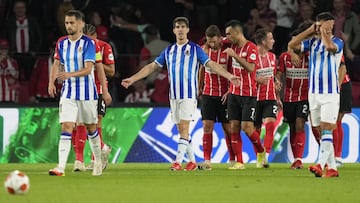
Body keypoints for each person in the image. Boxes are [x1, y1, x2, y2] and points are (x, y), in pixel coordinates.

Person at [121, 16, 240, 171]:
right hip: (174, 96)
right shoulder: (169, 50)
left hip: (189, 95)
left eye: (183, 27)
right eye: (177, 27)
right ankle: (191, 161)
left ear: (188, 30)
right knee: (181, 130)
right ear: (174, 30)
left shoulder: (196, 49)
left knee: (184, 128)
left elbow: (211, 64)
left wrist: (230, 76)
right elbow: (152, 67)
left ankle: (177, 162)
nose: (180, 29)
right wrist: (133, 78)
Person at [47, 10, 110, 176]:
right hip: (68, 93)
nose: (68, 26)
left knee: (91, 128)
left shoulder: (90, 44)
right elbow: (56, 63)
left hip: (87, 93)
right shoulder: (61, 43)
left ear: (81, 24)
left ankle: (97, 161)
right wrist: (51, 81)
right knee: (67, 126)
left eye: (71, 23)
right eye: (66, 23)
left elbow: (89, 68)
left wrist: (69, 74)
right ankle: (60, 167)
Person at [288, 12, 344, 178]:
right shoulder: (312, 42)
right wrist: (310, 30)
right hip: (313, 93)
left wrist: (325, 33)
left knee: (327, 127)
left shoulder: (337, 42)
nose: (320, 27)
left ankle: (320, 164)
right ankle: (332, 168)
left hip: (330, 93)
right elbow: (292, 44)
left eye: (324, 24)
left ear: (331, 24)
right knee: (320, 130)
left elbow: (330, 48)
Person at [223, 20, 266, 170]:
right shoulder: (231, 45)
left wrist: (234, 55)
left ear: (237, 32)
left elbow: (250, 68)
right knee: (233, 127)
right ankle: (239, 162)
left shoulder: (251, 48)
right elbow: (214, 40)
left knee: (247, 128)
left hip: (249, 94)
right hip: (234, 93)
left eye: (229, 34)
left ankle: (261, 151)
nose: (227, 37)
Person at [72, 23, 113, 172]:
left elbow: (112, 71)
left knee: (95, 123)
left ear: (96, 37)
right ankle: (100, 150)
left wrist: (94, 64)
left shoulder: (104, 47)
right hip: (83, 89)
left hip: (99, 90)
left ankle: (93, 159)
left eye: (90, 39)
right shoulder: (78, 46)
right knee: (80, 123)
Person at [276, 22, 313, 169]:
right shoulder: (285, 57)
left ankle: (299, 159)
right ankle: (295, 159)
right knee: (292, 127)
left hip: (304, 97)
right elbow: (279, 74)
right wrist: (277, 82)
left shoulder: (310, 56)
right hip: (289, 97)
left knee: (299, 123)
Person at [198, 25, 233, 170]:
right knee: (207, 126)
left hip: (225, 95)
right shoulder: (204, 50)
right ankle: (207, 161)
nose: (212, 45)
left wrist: (231, 90)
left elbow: (234, 71)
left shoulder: (228, 48)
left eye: (214, 41)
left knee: (228, 129)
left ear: (220, 38)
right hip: (208, 94)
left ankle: (233, 159)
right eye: (209, 42)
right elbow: (202, 67)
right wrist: (199, 87)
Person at [253, 28, 280, 168]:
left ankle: (266, 157)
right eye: (271, 38)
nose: (273, 41)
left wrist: (276, 86)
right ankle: (260, 155)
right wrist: (257, 80)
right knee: (255, 130)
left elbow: (273, 76)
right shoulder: (251, 57)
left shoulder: (272, 57)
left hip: (270, 97)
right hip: (254, 99)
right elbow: (243, 77)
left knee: (270, 125)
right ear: (263, 41)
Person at [0, 38, 19, 103]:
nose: (4, 51)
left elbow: (16, 77)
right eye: (2, 49)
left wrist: (17, 96)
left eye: (5, 49)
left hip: (10, 96)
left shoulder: (13, 62)